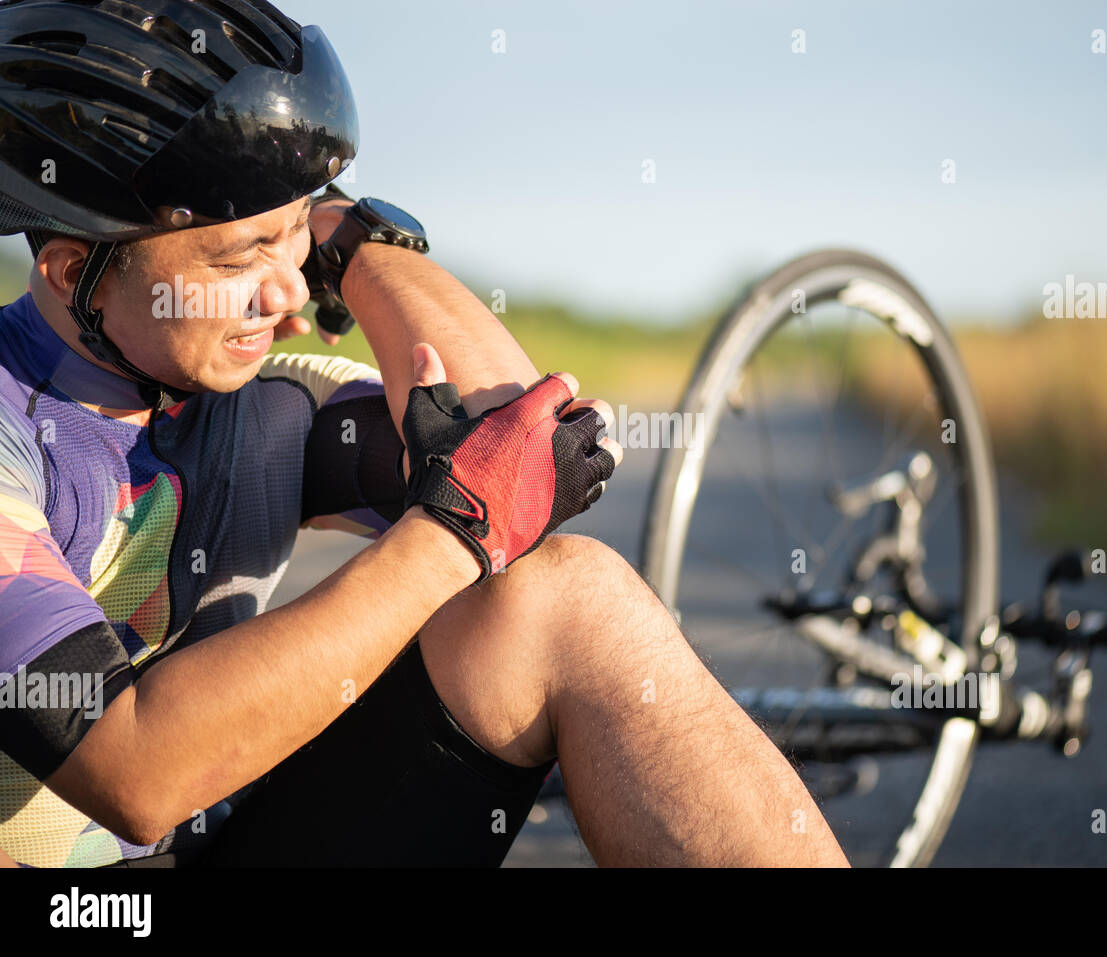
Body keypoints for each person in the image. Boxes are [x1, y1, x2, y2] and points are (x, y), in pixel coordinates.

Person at [0, 0, 848, 867]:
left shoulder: (259, 390)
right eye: (234, 260)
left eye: (294, 236)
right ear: (75, 273)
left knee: (566, 596)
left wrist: (353, 241)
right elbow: (137, 771)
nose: (287, 296)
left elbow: (521, 437)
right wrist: (449, 532)